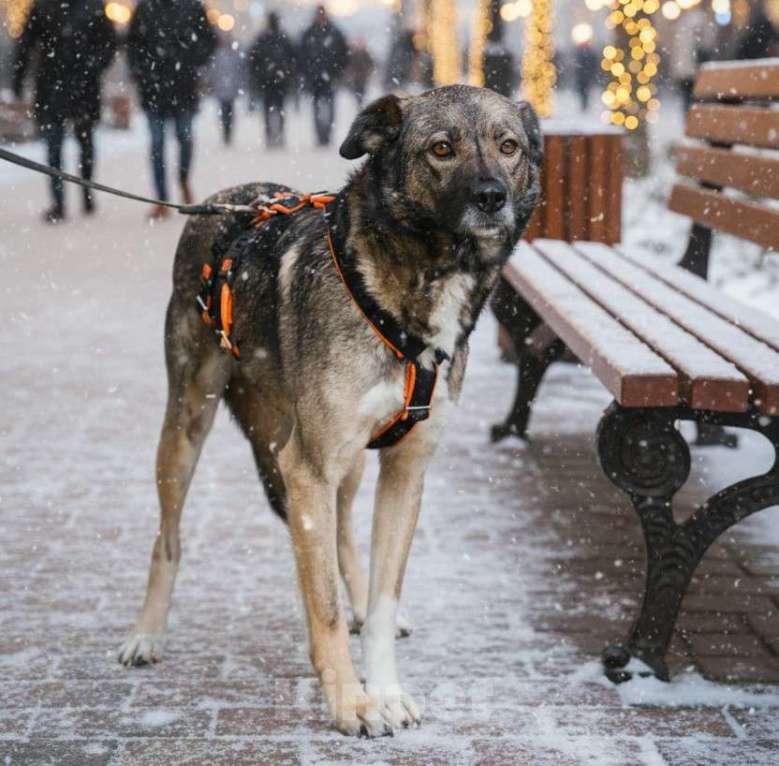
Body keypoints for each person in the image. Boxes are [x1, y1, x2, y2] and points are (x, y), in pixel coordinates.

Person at [12, 0, 116, 223]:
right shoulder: (44, 7)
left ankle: (84, 192)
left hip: (78, 86)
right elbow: (26, 44)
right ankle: (60, 202)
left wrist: (94, 66)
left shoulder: (91, 6)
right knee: (56, 147)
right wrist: (18, 81)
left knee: (82, 145)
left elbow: (109, 43)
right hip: (55, 86)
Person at [127, 0, 216, 220]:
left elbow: (208, 40)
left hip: (182, 86)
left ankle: (183, 178)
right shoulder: (145, 8)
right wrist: (141, 71)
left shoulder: (192, 7)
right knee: (157, 143)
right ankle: (161, 198)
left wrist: (191, 60)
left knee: (184, 137)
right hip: (153, 88)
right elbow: (132, 44)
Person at [300, 5, 349, 147]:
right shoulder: (311, 33)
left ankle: (327, 134)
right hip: (315, 77)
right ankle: (320, 135)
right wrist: (307, 72)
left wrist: (338, 70)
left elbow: (343, 54)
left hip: (330, 76)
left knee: (330, 106)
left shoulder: (334, 33)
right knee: (317, 107)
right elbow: (302, 56)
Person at [248, 12, 297, 148]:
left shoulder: (263, 38)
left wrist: (257, 75)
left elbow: (253, 59)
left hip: (268, 80)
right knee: (279, 108)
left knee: (268, 109)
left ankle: (271, 135)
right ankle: (277, 134)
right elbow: (293, 58)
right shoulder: (282, 38)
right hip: (277, 80)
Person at [210, 33, 243, 146]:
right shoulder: (218, 54)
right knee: (225, 111)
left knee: (229, 111)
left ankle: (228, 131)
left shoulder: (234, 54)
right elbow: (214, 72)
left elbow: (239, 71)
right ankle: (226, 131)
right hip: (222, 89)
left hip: (230, 88)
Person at [347, 39, 374, 107]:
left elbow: (370, 64)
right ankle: (359, 101)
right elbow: (350, 64)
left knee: (362, 89)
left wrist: (368, 71)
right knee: (357, 89)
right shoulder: (354, 54)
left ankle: (360, 101)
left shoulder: (366, 54)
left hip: (363, 76)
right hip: (357, 76)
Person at [573, 41, 599, 112]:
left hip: (585, 75)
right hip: (584, 75)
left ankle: (585, 104)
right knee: (584, 91)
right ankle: (584, 104)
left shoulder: (581, 53)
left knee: (584, 91)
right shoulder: (584, 53)